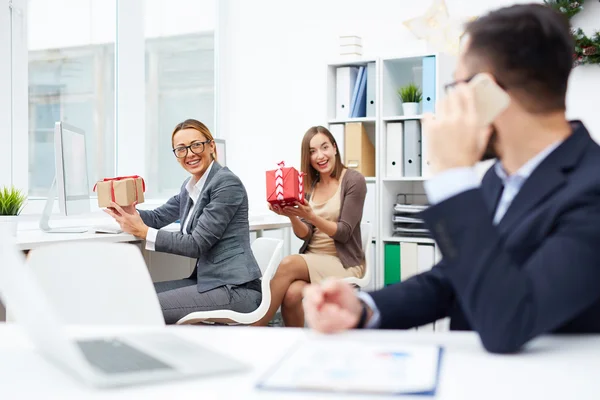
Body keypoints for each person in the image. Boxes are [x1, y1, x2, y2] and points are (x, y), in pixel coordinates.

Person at [302, 4, 600, 353]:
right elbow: (451, 279)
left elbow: (511, 320)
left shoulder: (591, 187)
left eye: (455, 86)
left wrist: (453, 175)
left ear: (485, 90)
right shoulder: (497, 178)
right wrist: (364, 306)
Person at [105, 119, 262, 324]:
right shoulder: (190, 186)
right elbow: (158, 217)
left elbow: (197, 244)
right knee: (133, 296)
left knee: (140, 306)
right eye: (181, 149)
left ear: (211, 145)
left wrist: (144, 232)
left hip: (235, 289)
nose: (189, 154)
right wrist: (128, 211)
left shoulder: (226, 183)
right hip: (208, 282)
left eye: (196, 145)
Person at [253, 126, 367, 327]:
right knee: (291, 294)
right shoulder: (309, 185)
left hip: (344, 262)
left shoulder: (353, 180)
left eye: (324, 147)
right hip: (314, 258)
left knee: (288, 263)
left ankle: (256, 324)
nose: (320, 156)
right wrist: (292, 216)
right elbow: (305, 235)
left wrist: (312, 216)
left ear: (334, 148)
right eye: (312, 151)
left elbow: (345, 232)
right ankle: (294, 345)